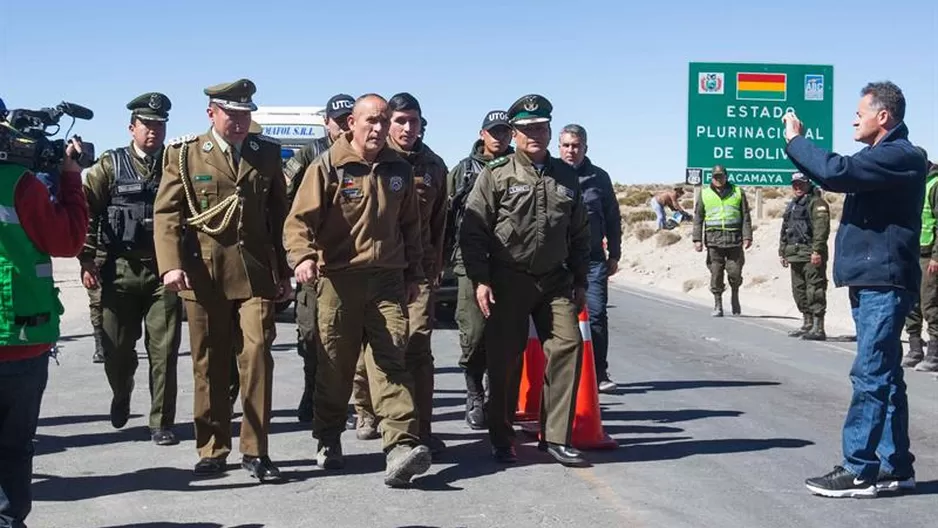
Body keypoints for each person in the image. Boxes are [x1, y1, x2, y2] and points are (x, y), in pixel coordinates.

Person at [783, 81, 926, 498]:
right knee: (886, 378)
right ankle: (895, 466)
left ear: (883, 116)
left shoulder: (902, 156)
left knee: (870, 375)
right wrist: (800, 150)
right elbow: (834, 175)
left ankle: (859, 468)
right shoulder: (880, 157)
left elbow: (835, 172)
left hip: (884, 283)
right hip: (872, 281)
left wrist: (797, 140)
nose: (852, 119)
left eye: (859, 112)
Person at [283, 93, 432, 488]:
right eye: (371, 121)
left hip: (387, 281)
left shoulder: (398, 168)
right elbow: (298, 221)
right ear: (352, 122)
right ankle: (328, 437)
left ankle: (400, 446)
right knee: (335, 365)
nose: (379, 129)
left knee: (391, 361)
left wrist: (415, 273)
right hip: (339, 280)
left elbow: (411, 229)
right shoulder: (329, 165)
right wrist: (301, 257)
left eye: (384, 121)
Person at [153, 79, 292, 482]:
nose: (239, 122)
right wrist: (170, 265)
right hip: (205, 273)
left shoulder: (265, 154)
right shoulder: (185, 154)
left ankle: (255, 450)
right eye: (232, 114)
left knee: (258, 353)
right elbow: (167, 214)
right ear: (211, 113)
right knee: (209, 362)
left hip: (254, 272)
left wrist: (284, 270)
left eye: (246, 114)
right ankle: (212, 447)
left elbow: (277, 216)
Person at [460, 94, 591, 467]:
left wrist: (580, 279)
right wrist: (481, 280)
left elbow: (580, 231)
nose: (535, 134)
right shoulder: (497, 174)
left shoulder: (566, 175)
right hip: (509, 279)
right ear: (515, 134)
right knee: (504, 360)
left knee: (568, 346)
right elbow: (473, 231)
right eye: (527, 129)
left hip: (555, 280)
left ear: (550, 131)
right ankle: (501, 437)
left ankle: (555, 436)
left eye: (541, 128)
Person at [0, 102, 89, 528]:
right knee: (14, 449)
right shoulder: (21, 185)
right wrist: (70, 178)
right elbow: (68, 240)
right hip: (21, 343)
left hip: (23, 340)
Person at [79, 93, 182, 445]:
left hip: (163, 272)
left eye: (160, 124)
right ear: (132, 128)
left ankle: (161, 422)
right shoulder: (110, 165)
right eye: (147, 125)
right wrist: (86, 257)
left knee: (164, 352)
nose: (154, 131)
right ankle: (121, 393)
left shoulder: (176, 163)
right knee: (117, 351)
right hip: (119, 272)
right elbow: (87, 210)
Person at [350, 93, 449, 457]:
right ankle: (366, 411)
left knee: (418, 344)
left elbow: (440, 222)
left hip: (418, 268)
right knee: (375, 345)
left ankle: (420, 428)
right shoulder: (374, 159)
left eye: (415, 121)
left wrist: (435, 265)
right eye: (401, 121)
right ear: (388, 122)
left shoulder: (434, 166)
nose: (408, 128)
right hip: (376, 268)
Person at [282, 93, 354, 423]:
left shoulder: (365, 154)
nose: (344, 128)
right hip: (315, 261)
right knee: (310, 335)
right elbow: (282, 198)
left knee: (348, 337)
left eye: (348, 121)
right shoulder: (309, 155)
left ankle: (344, 402)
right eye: (338, 122)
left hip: (350, 262)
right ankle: (311, 390)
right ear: (326, 122)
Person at [445, 109, 513, 429]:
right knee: (473, 332)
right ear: (481, 134)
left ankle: (495, 397)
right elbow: (445, 216)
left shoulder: (521, 167)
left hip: (510, 263)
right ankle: (473, 392)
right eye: (493, 132)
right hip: (469, 261)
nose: (499, 137)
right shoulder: (463, 171)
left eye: (504, 131)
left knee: (505, 336)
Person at [558, 124, 621, 393]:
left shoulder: (600, 178)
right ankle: (559, 377)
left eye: (577, 145)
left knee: (596, 314)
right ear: (559, 147)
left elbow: (612, 217)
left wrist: (615, 253)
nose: (571, 151)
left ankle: (598, 372)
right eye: (567, 145)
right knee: (558, 317)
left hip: (593, 259)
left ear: (585, 147)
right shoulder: (550, 175)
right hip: (557, 260)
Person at [692, 165, 753, 317]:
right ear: (712, 178)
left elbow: (746, 216)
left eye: (721, 176)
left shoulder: (738, 192)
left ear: (726, 176)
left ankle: (735, 294)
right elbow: (698, 218)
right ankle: (718, 304)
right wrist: (697, 239)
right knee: (716, 273)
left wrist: (747, 236)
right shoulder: (705, 194)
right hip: (714, 242)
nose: (719, 179)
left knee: (735, 272)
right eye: (716, 177)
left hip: (734, 240)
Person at [779, 172, 830, 341]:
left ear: (808, 184)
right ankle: (807, 323)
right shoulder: (792, 205)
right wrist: (782, 252)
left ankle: (818, 327)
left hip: (810, 254)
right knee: (799, 291)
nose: (797, 187)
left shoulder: (817, 203)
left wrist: (817, 251)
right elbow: (785, 229)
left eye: (800, 184)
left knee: (814, 289)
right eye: (795, 184)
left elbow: (821, 230)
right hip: (795, 254)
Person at [902, 152, 938, 371]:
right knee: (910, 303)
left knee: (930, 303)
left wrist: (936, 256)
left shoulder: (934, 185)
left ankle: (934, 353)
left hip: (928, 256)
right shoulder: (911, 183)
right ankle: (915, 348)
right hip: (910, 252)